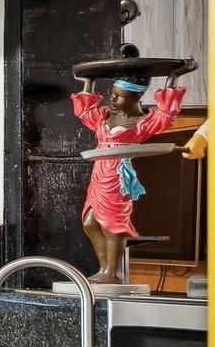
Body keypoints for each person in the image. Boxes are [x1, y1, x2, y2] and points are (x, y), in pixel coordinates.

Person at [72, 74, 187, 284]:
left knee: (112, 224)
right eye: (113, 95)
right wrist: (89, 80)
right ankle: (104, 269)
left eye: (120, 97)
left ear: (136, 96)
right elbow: (84, 111)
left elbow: (166, 114)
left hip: (118, 174)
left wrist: (174, 75)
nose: (113, 100)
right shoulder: (104, 115)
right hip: (99, 173)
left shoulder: (142, 122)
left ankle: (112, 273)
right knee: (90, 222)